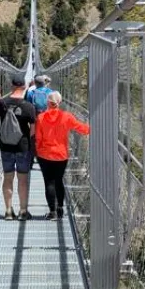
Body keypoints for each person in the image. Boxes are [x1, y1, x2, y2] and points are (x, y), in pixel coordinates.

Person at [34, 91, 90, 220]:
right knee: (59, 180)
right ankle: (60, 208)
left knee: (49, 182)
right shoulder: (66, 117)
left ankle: (52, 212)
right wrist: (93, 128)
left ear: (48, 102)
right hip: (61, 155)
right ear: (59, 103)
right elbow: (81, 128)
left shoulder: (41, 118)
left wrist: (39, 151)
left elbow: (38, 138)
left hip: (45, 155)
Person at [0, 76, 37, 221]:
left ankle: (8, 212)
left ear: (11, 86)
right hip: (23, 147)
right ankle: (23, 212)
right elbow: (33, 131)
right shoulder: (29, 106)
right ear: (24, 87)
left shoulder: (2, 103)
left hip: (6, 146)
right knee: (22, 180)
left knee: (8, 178)